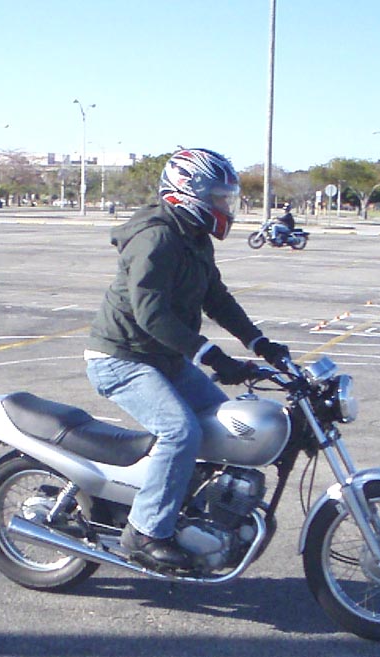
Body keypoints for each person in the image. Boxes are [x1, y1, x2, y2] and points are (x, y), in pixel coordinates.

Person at [85, 148, 290, 571]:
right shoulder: (157, 239)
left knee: (223, 426)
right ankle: (145, 532)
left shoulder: (193, 237)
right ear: (188, 193)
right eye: (218, 197)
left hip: (162, 357)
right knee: (180, 432)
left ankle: (188, 511)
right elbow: (151, 315)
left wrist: (259, 343)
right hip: (121, 358)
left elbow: (217, 298)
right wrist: (212, 355)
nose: (225, 207)